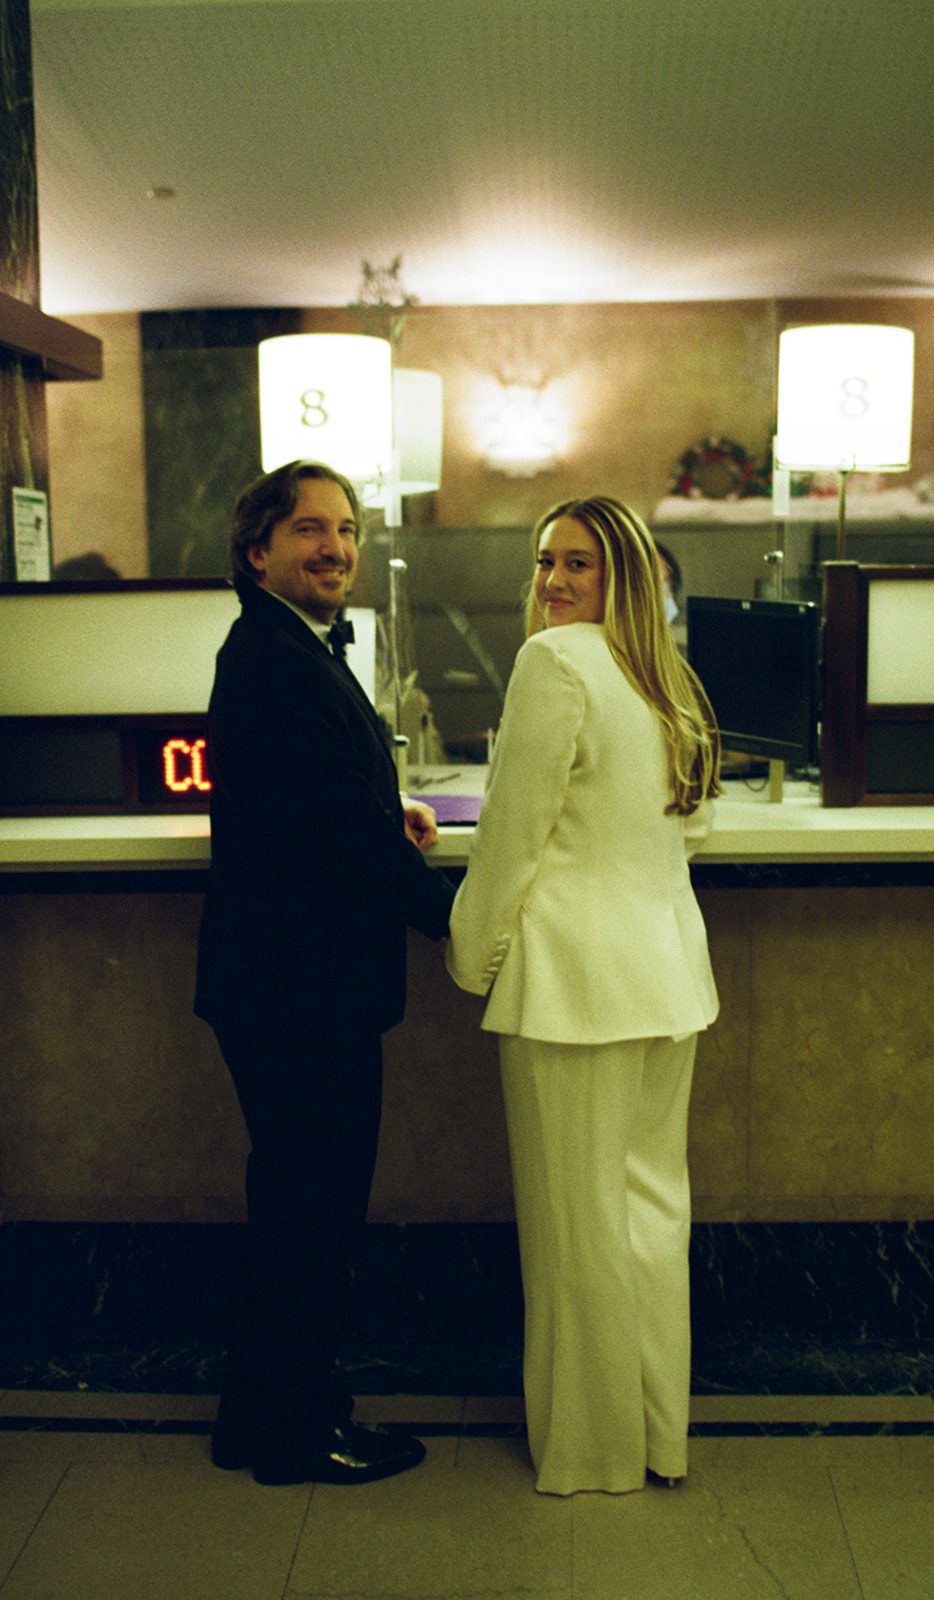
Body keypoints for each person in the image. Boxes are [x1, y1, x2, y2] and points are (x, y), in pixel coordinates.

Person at [445, 495, 721, 1496]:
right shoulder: (666, 677)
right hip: (667, 980)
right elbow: (692, 828)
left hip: (571, 988)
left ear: (623, 576)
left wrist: (469, 956)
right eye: (544, 561)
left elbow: (510, 834)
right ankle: (658, 1438)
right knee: (649, 1214)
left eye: (578, 563)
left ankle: (592, 1452)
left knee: (575, 1227)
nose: (553, 581)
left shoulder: (553, 663)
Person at [194, 458, 454, 1487]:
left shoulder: (280, 644)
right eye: (310, 529)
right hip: (301, 994)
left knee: (291, 1212)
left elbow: (318, 798)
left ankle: (255, 1421)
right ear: (257, 549)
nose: (336, 548)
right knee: (312, 1219)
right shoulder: (277, 658)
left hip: (282, 985)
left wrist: (389, 809)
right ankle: (296, 1436)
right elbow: (337, 834)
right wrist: (458, 923)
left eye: (346, 530)